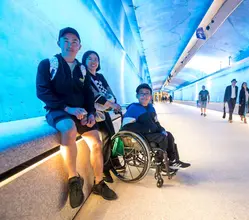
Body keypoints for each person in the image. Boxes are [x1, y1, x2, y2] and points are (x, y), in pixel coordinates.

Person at [36, 27, 117, 209]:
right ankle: (74, 179)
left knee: (96, 141)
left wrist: (90, 113)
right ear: (59, 43)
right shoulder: (48, 64)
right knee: (68, 129)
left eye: (74, 42)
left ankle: (98, 182)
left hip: (80, 112)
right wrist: (68, 108)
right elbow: (42, 92)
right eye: (66, 40)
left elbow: (88, 94)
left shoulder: (82, 70)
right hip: (58, 110)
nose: (70, 45)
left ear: (79, 46)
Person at [121, 83, 190, 170]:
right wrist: (148, 129)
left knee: (168, 135)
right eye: (141, 93)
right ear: (137, 96)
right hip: (140, 136)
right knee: (162, 138)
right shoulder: (133, 108)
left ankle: (173, 160)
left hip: (151, 133)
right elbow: (127, 126)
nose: (144, 96)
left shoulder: (151, 108)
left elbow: (156, 122)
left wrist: (161, 129)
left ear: (150, 96)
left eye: (147, 93)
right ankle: (159, 161)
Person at [82, 50, 123, 183]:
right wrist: (111, 104)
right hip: (94, 113)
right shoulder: (84, 75)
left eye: (96, 59)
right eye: (90, 59)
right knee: (104, 139)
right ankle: (104, 168)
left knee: (111, 136)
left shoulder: (100, 76)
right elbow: (95, 95)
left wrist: (115, 103)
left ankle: (111, 162)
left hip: (104, 113)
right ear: (84, 60)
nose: (93, 62)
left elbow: (109, 90)